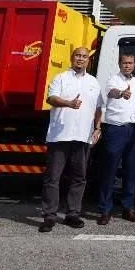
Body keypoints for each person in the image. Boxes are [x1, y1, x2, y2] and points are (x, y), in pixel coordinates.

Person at [39, 47, 102, 233]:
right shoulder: (61, 78)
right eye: (77, 56)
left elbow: (98, 108)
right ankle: (49, 216)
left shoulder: (93, 82)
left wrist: (98, 127)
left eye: (84, 57)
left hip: (83, 136)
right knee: (53, 177)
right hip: (60, 136)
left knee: (79, 177)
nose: (81, 59)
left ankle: (72, 213)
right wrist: (69, 103)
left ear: (88, 61)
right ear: (72, 58)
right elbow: (51, 98)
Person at [96, 52, 135, 225]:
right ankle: (105, 210)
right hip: (115, 129)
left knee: (131, 171)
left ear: (134, 65)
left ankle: (128, 208)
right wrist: (120, 94)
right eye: (125, 63)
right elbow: (111, 93)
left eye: (130, 63)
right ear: (119, 64)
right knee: (109, 170)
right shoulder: (113, 80)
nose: (127, 66)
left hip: (133, 129)